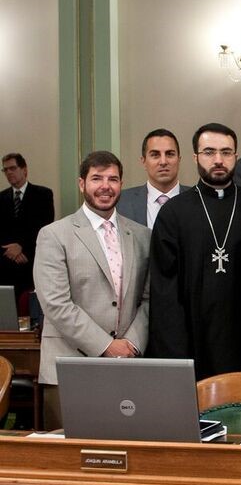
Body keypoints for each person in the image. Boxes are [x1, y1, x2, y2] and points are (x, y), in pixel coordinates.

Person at [33, 151, 150, 428]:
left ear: (121, 184)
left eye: (113, 179)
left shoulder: (142, 235)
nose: (105, 186)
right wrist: (106, 346)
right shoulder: (54, 235)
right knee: (68, 463)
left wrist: (130, 344)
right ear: (81, 183)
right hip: (69, 368)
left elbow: (149, 299)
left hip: (126, 368)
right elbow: (56, 304)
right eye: (97, 178)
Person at [148, 123, 241, 379]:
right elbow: (164, 290)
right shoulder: (174, 212)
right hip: (192, 339)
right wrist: (175, 351)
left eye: (226, 152)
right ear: (195, 157)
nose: (218, 160)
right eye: (209, 152)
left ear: (236, 156)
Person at [0, 153, 54, 301]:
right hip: (6, 266)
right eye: (5, 170)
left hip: (32, 263)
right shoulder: (1, 198)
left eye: (12, 168)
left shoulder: (43, 194)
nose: (9, 172)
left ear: (24, 170)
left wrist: (22, 247)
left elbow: (45, 228)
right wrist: (12, 250)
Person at [117, 128, 190, 228]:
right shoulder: (121, 202)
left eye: (170, 154)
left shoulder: (199, 200)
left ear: (179, 160)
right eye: (155, 155)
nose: (163, 161)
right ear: (143, 161)